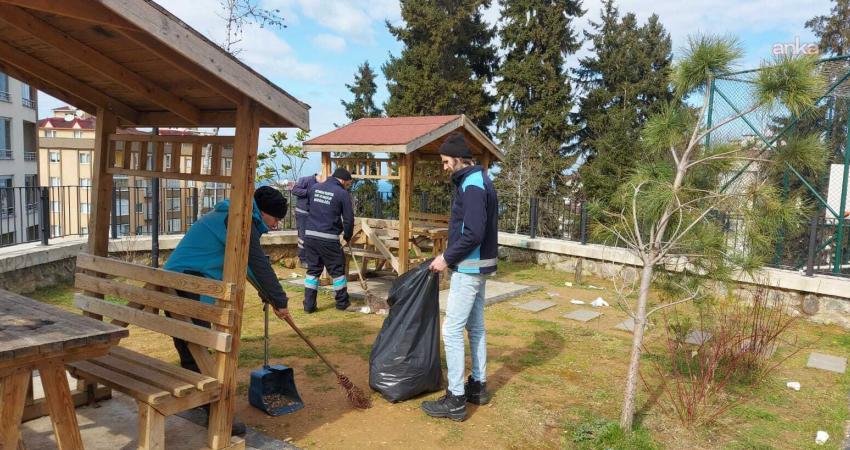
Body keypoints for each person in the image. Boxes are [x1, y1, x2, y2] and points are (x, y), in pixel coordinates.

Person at [163, 186, 292, 436]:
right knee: (198, 351)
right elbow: (257, 264)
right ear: (263, 213)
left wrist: (271, 298)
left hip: (172, 284)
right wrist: (280, 299)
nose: (276, 225)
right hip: (187, 285)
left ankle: (199, 402)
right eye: (275, 218)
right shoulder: (242, 223)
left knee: (190, 351)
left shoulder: (232, 216)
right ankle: (219, 416)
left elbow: (246, 265)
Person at [421, 132, 498, 422]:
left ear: (457, 158)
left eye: (444, 161)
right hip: (479, 267)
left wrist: (446, 258)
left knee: (452, 331)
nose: (444, 167)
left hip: (468, 268)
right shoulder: (480, 180)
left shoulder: (472, 184)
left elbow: (474, 232)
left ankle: (455, 400)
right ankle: (477, 386)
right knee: (476, 328)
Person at [302, 167, 355, 313]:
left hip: (310, 236)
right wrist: (347, 236)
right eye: (348, 184)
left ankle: (309, 305)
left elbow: (308, 208)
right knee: (337, 271)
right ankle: (342, 303)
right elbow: (349, 219)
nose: (347, 186)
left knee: (312, 271)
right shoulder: (342, 193)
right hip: (328, 238)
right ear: (343, 180)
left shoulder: (314, 188)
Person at [290, 173, 320, 266]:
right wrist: (308, 192)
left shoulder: (322, 183)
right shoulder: (305, 179)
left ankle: (312, 259)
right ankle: (303, 259)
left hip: (313, 213)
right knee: (302, 236)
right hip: (302, 212)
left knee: (312, 237)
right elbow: (294, 190)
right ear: (319, 176)